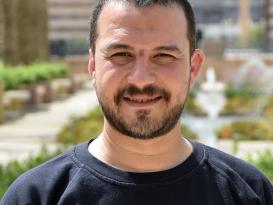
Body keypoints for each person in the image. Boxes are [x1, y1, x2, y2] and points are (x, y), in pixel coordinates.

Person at [1, 0, 273, 204]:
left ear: (193, 68)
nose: (141, 79)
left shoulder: (249, 193)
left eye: (164, 56)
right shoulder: (34, 197)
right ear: (93, 66)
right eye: (121, 54)